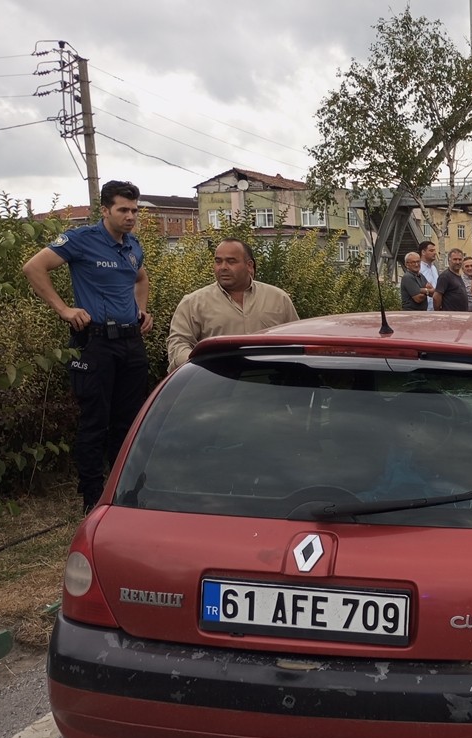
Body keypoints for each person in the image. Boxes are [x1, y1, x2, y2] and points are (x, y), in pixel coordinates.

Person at [22, 179, 154, 514]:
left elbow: (140, 278)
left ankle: (125, 494)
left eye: (134, 210)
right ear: (105, 210)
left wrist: (141, 309)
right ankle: (93, 499)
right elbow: (33, 267)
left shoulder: (132, 245)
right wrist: (64, 309)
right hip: (95, 342)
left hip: (130, 341)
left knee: (131, 420)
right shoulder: (82, 239)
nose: (130, 216)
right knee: (95, 420)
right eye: (123, 210)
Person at [166, 238, 299, 371]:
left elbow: (297, 341)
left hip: (271, 383)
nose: (223, 267)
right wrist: (201, 365)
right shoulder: (193, 303)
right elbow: (178, 344)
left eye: (231, 261)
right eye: (218, 261)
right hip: (216, 383)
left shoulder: (278, 298)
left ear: (249, 265)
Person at [433, 248, 469, 312]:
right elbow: (436, 297)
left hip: (461, 316)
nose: (458, 262)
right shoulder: (445, 276)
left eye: (460, 259)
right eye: (455, 259)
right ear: (449, 260)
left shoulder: (458, 276)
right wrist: (438, 312)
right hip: (450, 316)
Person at [418, 241, 440, 311]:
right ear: (423, 252)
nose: (434, 253)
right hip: (424, 309)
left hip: (436, 308)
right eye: (431, 251)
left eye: (435, 251)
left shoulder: (434, 268)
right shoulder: (419, 269)